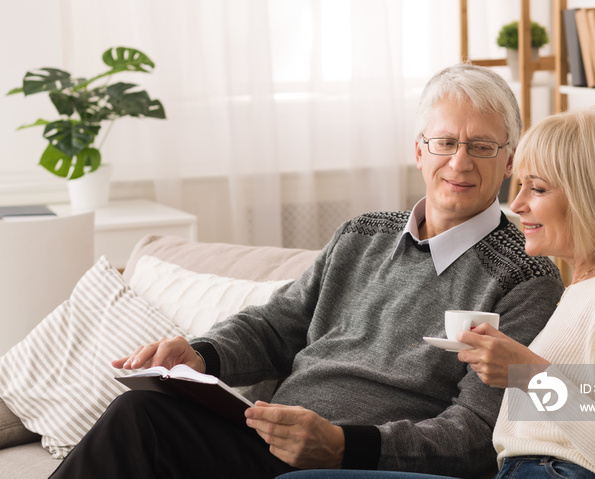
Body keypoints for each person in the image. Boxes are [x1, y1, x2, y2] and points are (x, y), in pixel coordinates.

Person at [49, 63, 564, 479]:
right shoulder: (361, 235)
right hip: (264, 441)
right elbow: (278, 325)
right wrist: (202, 354)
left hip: (356, 466)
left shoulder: (526, 274)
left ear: (511, 159)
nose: (460, 162)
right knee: (139, 417)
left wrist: (343, 447)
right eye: (445, 142)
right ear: (418, 151)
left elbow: (477, 432)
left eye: (482, 146)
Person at [278, 108, 595, 479]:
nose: (516, 205)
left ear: (589, 196)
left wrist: (531, 375)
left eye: (537, 188)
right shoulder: (584, 289)